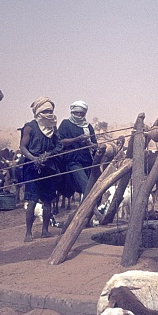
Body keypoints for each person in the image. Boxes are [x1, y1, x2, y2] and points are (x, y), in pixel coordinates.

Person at [20, 97, 64, 242]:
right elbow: (23, 148)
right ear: (39, 112)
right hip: (32, 168)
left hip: (49, 167)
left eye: (51, 111)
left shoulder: (53, 128)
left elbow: (59, 145)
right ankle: (28, 232)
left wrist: (49, 154)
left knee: (47, 201)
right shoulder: (30, 127)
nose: (49, 114)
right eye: (46, 111)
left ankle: (45, 230)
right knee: (32, 201)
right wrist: (34, 158)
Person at [57, 101, 97, 198]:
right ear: (72, 112)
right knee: (86, 187)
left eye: (81, 113)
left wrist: (89, 143)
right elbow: (60, 142)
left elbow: (95, 146)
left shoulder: (88, 126)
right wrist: (77, 139)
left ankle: (86, 211)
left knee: (92, 188)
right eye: (76, 113)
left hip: (87, 161)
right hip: (72, 161)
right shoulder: (66, 124)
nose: (79, 115)